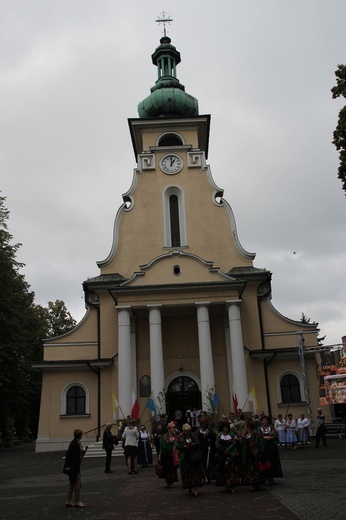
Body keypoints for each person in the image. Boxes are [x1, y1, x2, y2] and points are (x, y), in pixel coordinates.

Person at [175, 423, 204, 497]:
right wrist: (183, 446)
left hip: (193, 456)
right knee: (186, 474)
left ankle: (195, 489)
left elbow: (198, 443)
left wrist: (194, 444)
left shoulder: (193, 435)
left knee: (195, 473)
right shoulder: (180, 437)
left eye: (188, 431)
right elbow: (177, 445)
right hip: (185, 457)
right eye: (186, 431)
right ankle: (189, 489)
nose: (187, 432)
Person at [63, 428, 88, 508]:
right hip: (74, 467)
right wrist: (67, 466)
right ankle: (77, 501)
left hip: (74, 466)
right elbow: (69, 455)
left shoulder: (76, 443)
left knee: (71, 483)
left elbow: (78, 455)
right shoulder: (74, 444)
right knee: (77, 484)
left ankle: (68, 500)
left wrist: (84, 451)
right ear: (80, 435)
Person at [241, 421, 266, 492]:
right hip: (247, 454)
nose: (245, 428)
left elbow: (261, 443)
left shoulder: (256, 433)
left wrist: (259, 452)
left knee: (255, 469)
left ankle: (256, 484)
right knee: (249, 469)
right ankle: (251, 483)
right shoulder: (245, 434)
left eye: (245, 426)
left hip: (254, 454)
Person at [258, 415, 283, 485]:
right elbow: (257, 437)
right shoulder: (259, 428)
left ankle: (271, 478)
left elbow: (276, 435)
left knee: (272, 462)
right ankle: (264, 477)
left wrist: (271, 437)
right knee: (264, 462)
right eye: (263, 420)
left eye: (265, 420)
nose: (264, 421)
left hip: (271, 448)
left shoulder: (271, 428)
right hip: (263, 449)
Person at [215, 421, 240, 493]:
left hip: (231, 454)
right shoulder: (219, 435)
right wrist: (223, 449)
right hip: (222, 455)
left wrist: (228, 449)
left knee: (231, 470)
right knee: (223, 469)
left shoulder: (231, 434)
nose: (226, 429)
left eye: (227, 427)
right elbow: (217, 444)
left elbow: (234, 443)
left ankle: (231, 485)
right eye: (224, 427)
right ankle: (226, 484)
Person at [158, 422, 179, 489]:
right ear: (169, 429)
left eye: (174, 428)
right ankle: (168, 482)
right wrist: (159, 456)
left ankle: (172, 481)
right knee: (167, 469)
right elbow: (161, 447)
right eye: (172, 428)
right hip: (166, 456)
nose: (173, 430)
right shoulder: (164, 437)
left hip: (173, 456)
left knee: (173, 469)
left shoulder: (175, 437)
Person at [196, 416, 217, 483]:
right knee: (202, 464)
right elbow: (196, 438)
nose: (203, 425)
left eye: (204, 423)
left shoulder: (210, 430)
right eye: (201, 423)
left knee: (209, 463)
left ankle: (209, 477)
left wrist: (209, 437)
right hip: (201, 449)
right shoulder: (198, 430)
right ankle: (203, 477)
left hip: (209, 449)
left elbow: (214, 437)